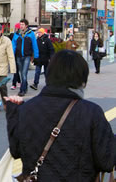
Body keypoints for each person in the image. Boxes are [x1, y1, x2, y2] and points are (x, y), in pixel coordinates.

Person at [6, 50, 115, 181]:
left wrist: (13, 112)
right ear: (81, 79)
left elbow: (16, 151)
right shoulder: (91, 112)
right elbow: (107, 160)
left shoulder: (26, 109)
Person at [12, 19, 39, 96]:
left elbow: (35, 45)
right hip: (18, 56)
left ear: (26, 25)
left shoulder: (31, 34)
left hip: (27, 56)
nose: (21, 26)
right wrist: (12, 55)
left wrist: (36, 56)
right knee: (21, 74)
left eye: (22, 24)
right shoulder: (16, 34)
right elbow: (13, 45)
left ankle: (22, 90)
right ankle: (25, 86)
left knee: (24, 74)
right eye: (20, 24)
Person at [10, 23, 21, 90]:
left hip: (22, 55)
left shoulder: (22, 36)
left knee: (20, 71)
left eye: (16, 28)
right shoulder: (14, 35)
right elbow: (13, 46)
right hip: (15, 55)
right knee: (15, 70)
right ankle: (15, 83)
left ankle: (18, 82)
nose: (15, 29)